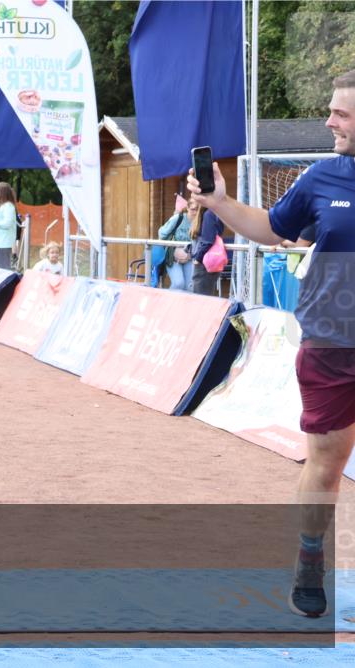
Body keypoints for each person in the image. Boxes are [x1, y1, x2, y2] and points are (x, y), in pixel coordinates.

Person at [187, 69, 355, 619]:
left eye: (342, 113)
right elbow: (271, 227)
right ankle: (310, 560)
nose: (329, 120)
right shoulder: (323, 178)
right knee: (326, 464)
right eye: (332, 109)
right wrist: (217, 201)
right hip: (333, 344)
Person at [158, 196, 195, 291]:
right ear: (187, 208)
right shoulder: (178, 218)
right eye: (193, 209)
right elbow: (161, 233)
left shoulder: (199, 222)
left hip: (189, 257)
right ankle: (167, 302)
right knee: (179, 283)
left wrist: (190, 255)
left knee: (190, 287)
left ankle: (185, 306)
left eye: (198, 210)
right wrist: (174, 248)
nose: (195, 212)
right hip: (172, 256)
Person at [188, 204, 226, 296]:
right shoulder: (215, 213)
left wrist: (198, 258)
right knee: (205, 297)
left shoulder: (209, 214)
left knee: (200, 299)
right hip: (210, 263)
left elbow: (208, 240)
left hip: (204, 264)